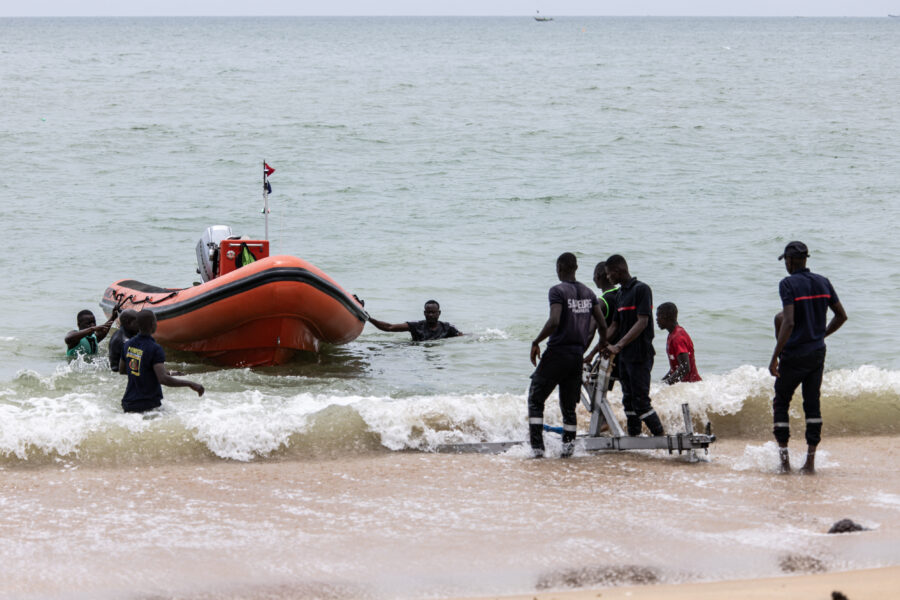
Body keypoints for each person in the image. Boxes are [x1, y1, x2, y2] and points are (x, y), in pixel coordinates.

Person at [769, 241, 847, 475]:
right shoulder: (823, 282)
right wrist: (820, 334)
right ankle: (810, 462)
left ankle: (784, 462)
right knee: (812, 403)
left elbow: (790, 321)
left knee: (781, 402)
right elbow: (841, 316)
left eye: (786, 261)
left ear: (790, 261)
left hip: (794, 354)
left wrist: (774, 356)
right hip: (817, 352)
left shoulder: (788, 284)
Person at [528, 253, 607, 458]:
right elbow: (602, 326)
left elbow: (554, 321)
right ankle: (568, 451)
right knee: (568, 407)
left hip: (557, 352)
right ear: (576, 267)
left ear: (560, 267)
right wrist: (601, 345)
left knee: (536, 398)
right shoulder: (589, 293)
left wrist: (536, 341)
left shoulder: (557, 291)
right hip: (576, 356)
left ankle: (537, 450)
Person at [601, 254, 665, 437]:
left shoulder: (641, 289)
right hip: (624, 358)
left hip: (640, 355)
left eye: (609, 274)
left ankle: (660, 437)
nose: (608, 278)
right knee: (628, 401)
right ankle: (634, 438)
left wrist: (618, 345)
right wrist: (600, 346)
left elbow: (642, 322)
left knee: (641, 401)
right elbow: (615, 325)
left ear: (618, 271)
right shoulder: (620, 294)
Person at [118, 310, 204, 413]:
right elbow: (163, 379)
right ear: (152, 324)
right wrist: (190, 384)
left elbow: (123, 370)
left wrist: (166, 373)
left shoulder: (128, 345)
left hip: (128, 403)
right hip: (148, 406)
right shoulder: (155, 348)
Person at [368, 300, 463, 341]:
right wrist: (369, 319)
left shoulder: (447, 328)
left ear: (439, 313)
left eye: (433, 312)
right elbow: (389, 327)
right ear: (424, 313)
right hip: (416, 351)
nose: (431, 315)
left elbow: (462, 337)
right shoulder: (416, 326)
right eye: (428, 312)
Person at [656, 302, 701, 384]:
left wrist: (667, 385)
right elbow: (675, 369)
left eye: (658, 316)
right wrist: (661, 383)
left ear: (665, 317)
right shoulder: (672, 335)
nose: (656, 319)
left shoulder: (678, 337)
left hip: (692, 386)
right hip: (687, 386)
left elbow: (685, 367)